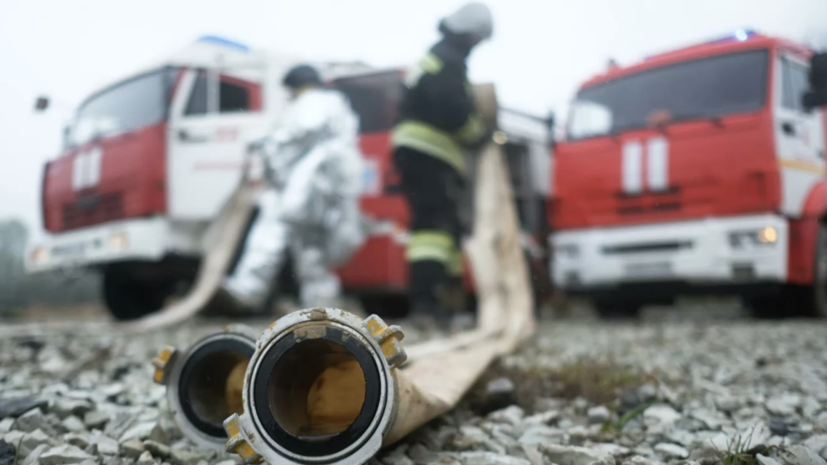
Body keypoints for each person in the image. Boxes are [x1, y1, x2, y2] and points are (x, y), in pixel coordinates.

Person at [217, 64, 367, 313]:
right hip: (327, 191)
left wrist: (264, 139)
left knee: (272, 232)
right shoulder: (338, 106)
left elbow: (301, 131)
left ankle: (248, 290)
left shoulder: (315, 101)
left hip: (308, 188)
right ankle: (321, 306)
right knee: (311, 251)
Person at [391, 2, 494, 326]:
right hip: (428, 153)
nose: (477, 45)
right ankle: (426, 306)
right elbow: (453, 112)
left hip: (426, 154)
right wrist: (478, 132)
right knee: (432, 229)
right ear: (470, 33)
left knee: (445, 230)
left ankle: (448, 305)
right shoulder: (448, 59)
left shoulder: (440, 55)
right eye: (478, 38)